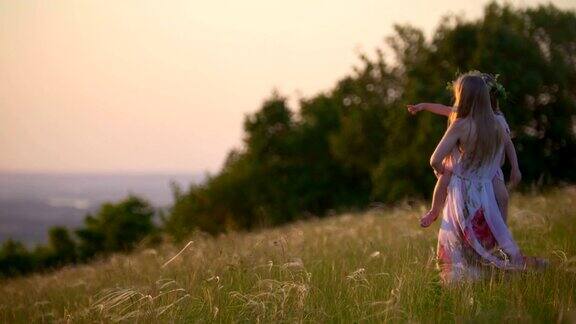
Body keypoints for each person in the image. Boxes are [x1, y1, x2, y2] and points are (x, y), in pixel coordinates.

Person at [428, 72, 546, 283]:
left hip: (463, 191)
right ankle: (503, 274)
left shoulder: (461, 125)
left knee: (460, 238)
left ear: (462, 97)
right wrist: (514, 168)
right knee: (488, 236)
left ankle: (462, 281)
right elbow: (502, 153)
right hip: (487, 190)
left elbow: (435, 159)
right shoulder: (497, 123)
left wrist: (442, 171)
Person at [407, 73, 521, 227]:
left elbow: (508, 144)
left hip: (490, 167)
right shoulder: (462, 115)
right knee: (444, 178)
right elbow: (444, 108)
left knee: (503, 197)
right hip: (466, 165)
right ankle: (434, 210)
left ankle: (501, 229)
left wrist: (515, 167)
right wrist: (423, 106)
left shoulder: (497, 120)